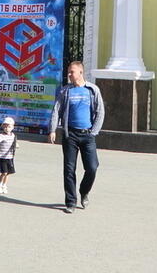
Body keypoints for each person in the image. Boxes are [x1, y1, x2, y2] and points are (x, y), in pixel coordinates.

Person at [48, 61, 105, 214]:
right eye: (68, 72)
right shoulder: (65, 91)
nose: (69, 74)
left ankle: (84, 191)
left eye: (72, 72)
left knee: (92, 167)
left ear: (80, 72)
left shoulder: (92, 90)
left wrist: (93, 132)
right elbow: (56, 110)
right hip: (70, 135)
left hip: (87, 135)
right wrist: (53, 129)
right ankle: (71, 202)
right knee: (69, 169)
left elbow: (100, 111)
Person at [0, 116, 18, 194]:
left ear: (12, 127)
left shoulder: (13, 136)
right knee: (4, 172)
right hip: (2, 157)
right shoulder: (1, 136)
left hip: (10, 157)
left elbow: (14, 143)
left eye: (9, 127)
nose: (7, 128)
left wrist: (16, 145)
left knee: (8, 173)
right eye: (5, 126)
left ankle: (4, 185)